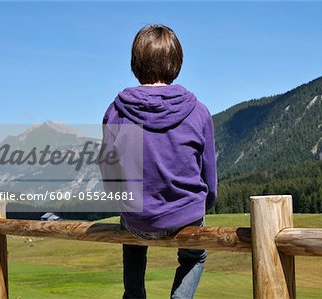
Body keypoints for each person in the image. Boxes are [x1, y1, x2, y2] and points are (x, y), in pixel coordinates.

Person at [101, 24, 217, 299]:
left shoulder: (116, 111)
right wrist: (199, 207)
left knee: (132, 245)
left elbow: (109, 174)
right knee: (195, 257)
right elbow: (209, 178)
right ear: (176, 63)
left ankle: (134, 295)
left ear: (135, 63)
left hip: (136, 220)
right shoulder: (199, 113)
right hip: (186, 218)